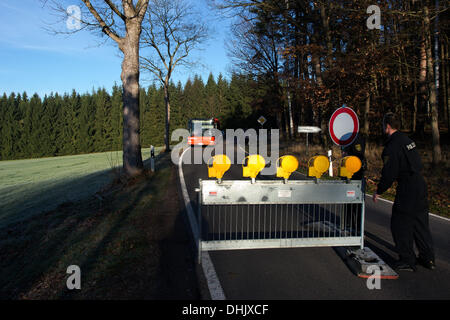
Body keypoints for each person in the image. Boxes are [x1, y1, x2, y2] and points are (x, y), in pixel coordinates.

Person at [373, 112, 435, 272]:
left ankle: (407, 259)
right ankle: (428, 258)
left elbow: (389, 172)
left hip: (407, 186)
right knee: (420, 223)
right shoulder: (408, 140)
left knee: (400, 223)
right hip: (420, 184)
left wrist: (379, 191)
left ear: (387, 126)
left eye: (383, 125)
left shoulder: (392, 146)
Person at [341, 133, 367, 235]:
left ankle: (356, 228)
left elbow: (359, 155)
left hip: (355, 175)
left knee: (356, 203)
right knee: (350, 202)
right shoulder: (348, 138)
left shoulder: (357, 138)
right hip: (349, 174)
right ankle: (351, 226)